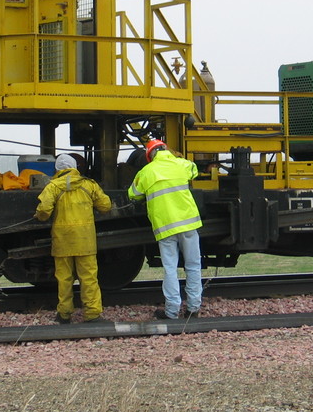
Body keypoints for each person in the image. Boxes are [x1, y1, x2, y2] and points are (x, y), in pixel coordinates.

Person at [128, 139, 203, 320]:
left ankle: (171, 312)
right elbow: (195, 171)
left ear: (150, 156)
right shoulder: (182, 164)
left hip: (165, 227)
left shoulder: (146, 172)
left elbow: (133, 194)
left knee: (170, 269)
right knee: (193, 265)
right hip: (188, 223)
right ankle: (193, 308)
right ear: (166, 149)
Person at [35, 154, 112, 324]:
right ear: (75, 167)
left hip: (63, 241)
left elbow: (44, 211)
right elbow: (106, 206)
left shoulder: (53, 187)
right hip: (85, 240)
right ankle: (92, 314)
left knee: (64, 278)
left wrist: (39, 215)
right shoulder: (88, 185)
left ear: (57, 169)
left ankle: (64, 314)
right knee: (89, 277)